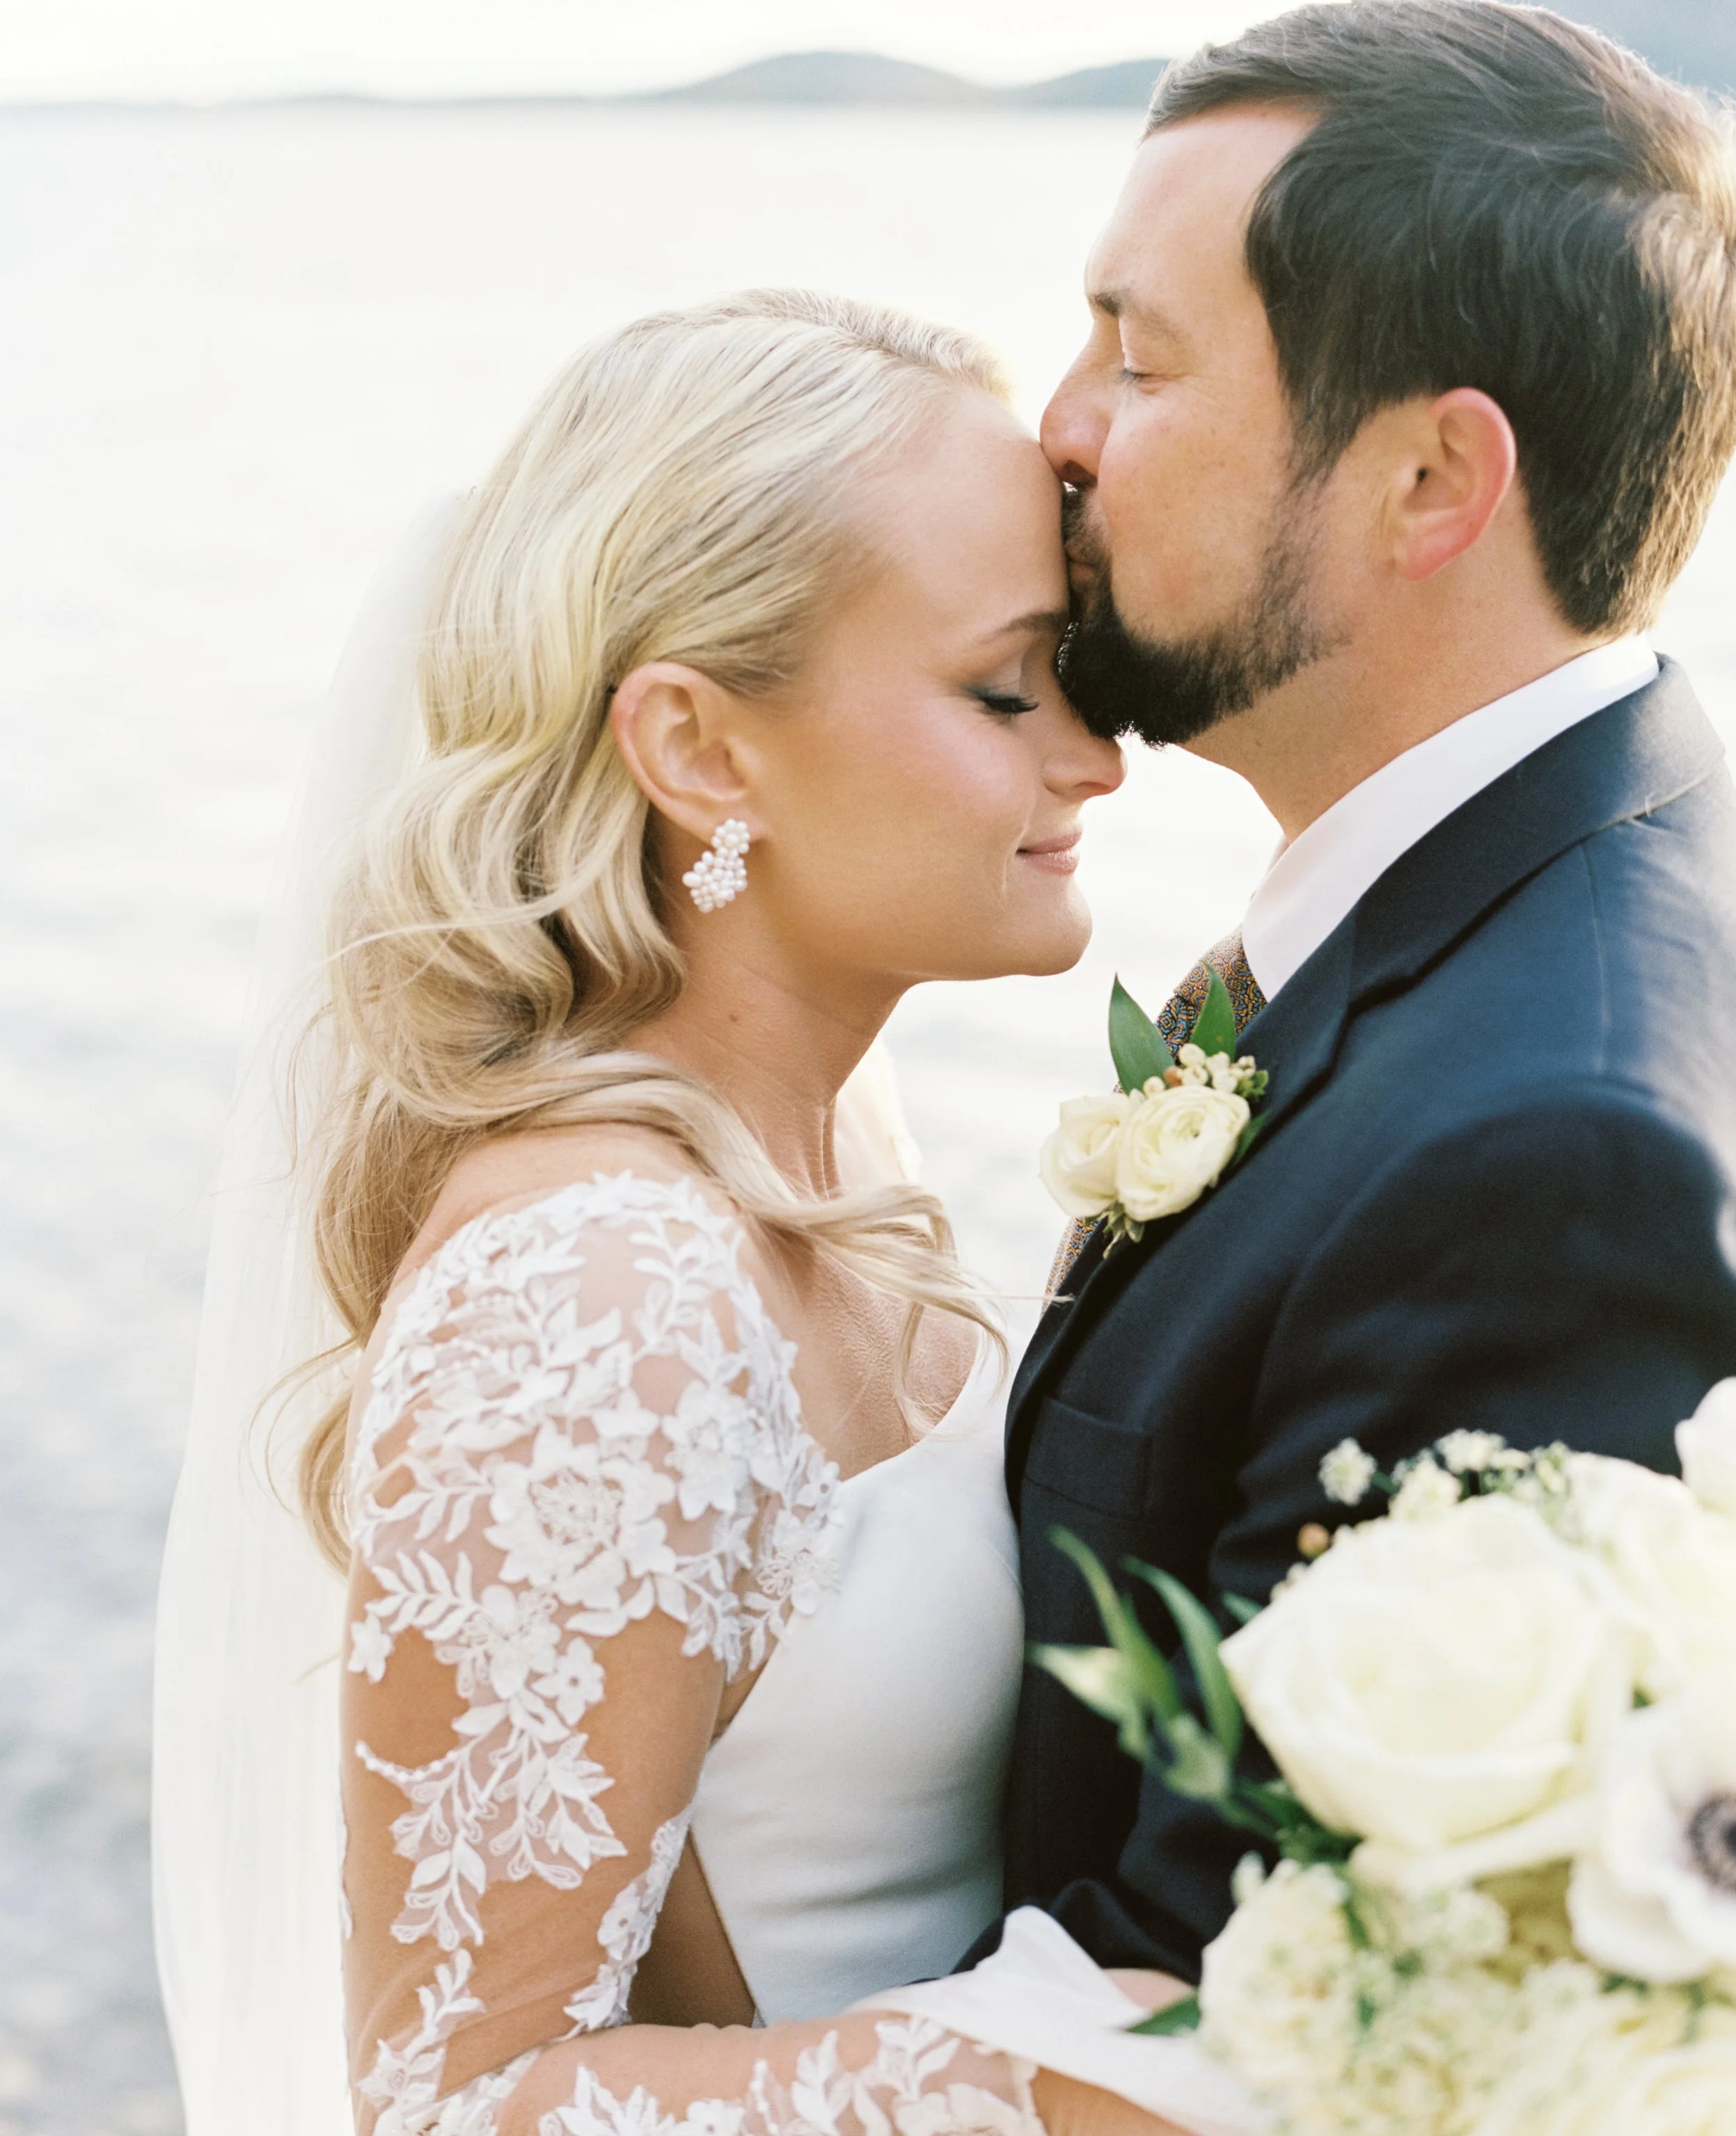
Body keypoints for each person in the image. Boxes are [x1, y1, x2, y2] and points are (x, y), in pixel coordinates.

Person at [161, 288, 1247, 2136]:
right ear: (698, 749)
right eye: (1005, 687)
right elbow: (455, 2104)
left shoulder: (818, 1184)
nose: (1093, 758)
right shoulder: (594, 1289)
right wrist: (1054, 2081)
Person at [995, 0, 1736, 1986]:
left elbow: (1262, 2001)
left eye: (1135, 357)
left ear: (1428, 481)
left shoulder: (1543, 1159)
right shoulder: (1542, 884)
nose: (1050, 425)